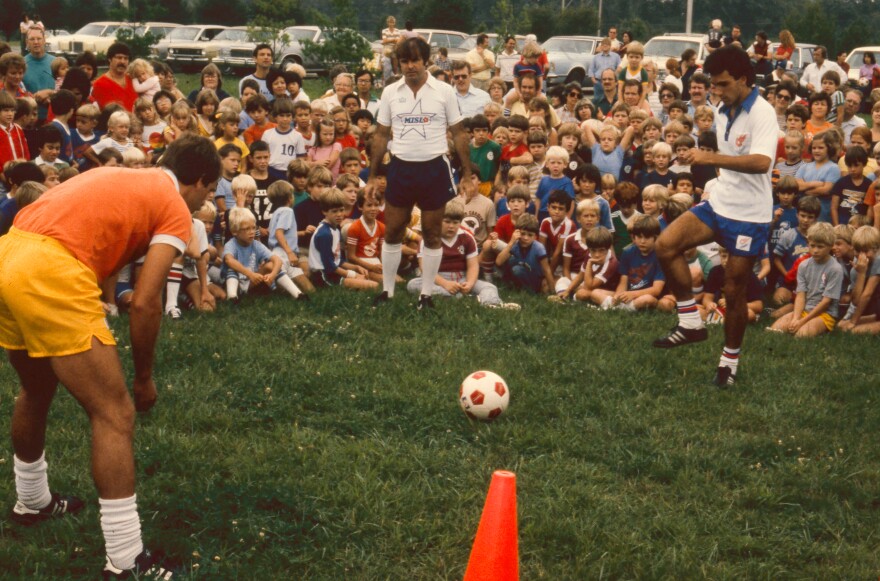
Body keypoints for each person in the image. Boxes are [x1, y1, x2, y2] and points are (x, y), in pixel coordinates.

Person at [1, 134, 220, 577]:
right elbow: (145, 301)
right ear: (197, 180)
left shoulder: (116, 173)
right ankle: (125, 560)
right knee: (115, 414)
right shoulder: (175, 205)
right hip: (52, 270)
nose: (203, 204)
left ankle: (33, 501)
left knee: (36, 386)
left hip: (9, 255)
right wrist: (144, 377)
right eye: (209, 193)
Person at [653, 45, 778, 388]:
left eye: (723, 84)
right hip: (720, 202)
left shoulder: (763, 113)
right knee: (666, 244)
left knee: (734, 289)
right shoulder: (723, 107)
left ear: (742, 79)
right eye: (713, 84)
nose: (716, 92)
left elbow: (761, 163)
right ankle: (691, 322)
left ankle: (729, 364)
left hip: (750, 215)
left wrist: (710, 159)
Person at [367, 36, 474, 310]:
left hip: (433, 168)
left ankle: (426, 294)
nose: (410, 66)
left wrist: (466, 173)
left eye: (415, 60)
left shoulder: (444, 91)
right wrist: (371, 175)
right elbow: (380, 136)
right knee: (392, 231)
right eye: (404, 61)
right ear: (398, 63)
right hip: (401, 168)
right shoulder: (391, 92)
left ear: (426, 61)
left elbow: (460, 133)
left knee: (432, 232)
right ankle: (387, 291)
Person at [408, 198, 517, 308]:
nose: (451, 226)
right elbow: (425, 269)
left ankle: (491, 303)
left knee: (489, 287)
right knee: (413, 285)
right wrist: (445, 284)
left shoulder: (467, 238)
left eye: (455, 222)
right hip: (436, 279)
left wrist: (469, 284)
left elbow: (473, 265)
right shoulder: (428, 238)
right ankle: (456, 295)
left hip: (461, 277)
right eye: (447, 222)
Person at [770, 223, 844, 336]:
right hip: (805, 309)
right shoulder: (803, 265)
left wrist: (802, 322)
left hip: (825, 314)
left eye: (820, 247)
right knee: (774, 331)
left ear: (830, 246)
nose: (815, 250)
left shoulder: (835, 269)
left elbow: (826, 302)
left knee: (801, 335)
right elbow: (800, 295)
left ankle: (821, 330)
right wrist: (796, 318)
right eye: (812, 245)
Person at [308, 187, 377, 290]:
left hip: (334, 272)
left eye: (341, 210)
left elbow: (338, 260)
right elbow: (329, 266)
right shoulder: (324, 234)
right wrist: (352, 275)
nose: (339, 214)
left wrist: (356, 267)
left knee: (369, 280)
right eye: (334, 211)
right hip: (323, 276)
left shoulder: (335, 229)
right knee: (373, 286)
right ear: (324, 212)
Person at [91, 42, 137, 112]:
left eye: (126, 58)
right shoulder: (100, 84)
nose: (122, 61)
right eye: (119, 57)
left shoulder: (133, 80)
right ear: (110, 59)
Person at [22, 27, 54, 121]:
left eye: (39, 38)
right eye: (32, 39)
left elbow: (65, 90)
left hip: (53, 120)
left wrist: (50, 93)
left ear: (44, 40)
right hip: (29, 121)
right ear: (27, 42)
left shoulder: (56, 63)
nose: (36, 42)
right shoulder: (21, 65)